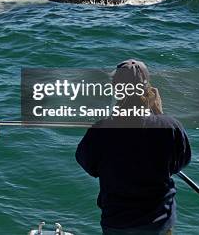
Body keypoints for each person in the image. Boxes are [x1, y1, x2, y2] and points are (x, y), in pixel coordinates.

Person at [76, 59, 191, 235]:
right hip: (158, 223)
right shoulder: (170, 127)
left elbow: (89, 165)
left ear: (116, 90)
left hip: (117, 222)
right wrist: (158, 115)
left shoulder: (100, 130)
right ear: (148, 89)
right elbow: (178, 164)